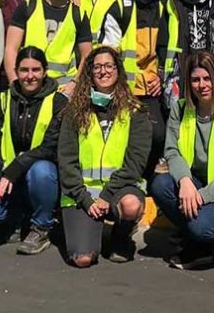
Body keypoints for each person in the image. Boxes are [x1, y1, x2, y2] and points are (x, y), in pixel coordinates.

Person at [151, 50, 214, 269]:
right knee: (160, 185)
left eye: (207, 78)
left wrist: (200, 196)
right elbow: (172, 151)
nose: (202, 85)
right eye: (196, 79)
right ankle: (198, 241)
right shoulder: (180, 110)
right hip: (197, 184)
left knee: (203, 228)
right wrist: (185, 182)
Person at [0, 46, 68, 255]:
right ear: (15, 71)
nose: (30, 76)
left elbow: (51, 146)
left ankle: (41, 226)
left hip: (39, 177)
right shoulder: (3, 99)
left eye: (35, 70)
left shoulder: (58, 102)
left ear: (45, 71)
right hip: (6, 178)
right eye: (24, 70)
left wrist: (14, 169)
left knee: (41, 169)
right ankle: (14, 218)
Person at [58, 46, 151, 267]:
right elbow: (66, 161)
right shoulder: (74, 111)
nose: (103, 71)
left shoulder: (135, 111)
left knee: (130, 205)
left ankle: (121, 236)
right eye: (97, 67)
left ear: (118, 71)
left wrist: (106, 196)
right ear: (90, 73)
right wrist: (86, 199)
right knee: (82, 259)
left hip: (118, 190)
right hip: (82, 193)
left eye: (109, 66)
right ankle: (88, 232)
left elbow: (134, 165)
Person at [102, 0, 171, 178]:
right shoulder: (120, 7)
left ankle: (149, 182)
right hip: (125, 90)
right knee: (124, 140)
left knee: (159, 135)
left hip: (154, 90)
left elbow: (174, 51)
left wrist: (161, 78)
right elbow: (108, 51)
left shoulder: (168, 8)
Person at [3, 0, 92, 93]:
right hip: (29, 86)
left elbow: (87, 56)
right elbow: (11, 49)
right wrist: (15, 84)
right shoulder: (27, 7)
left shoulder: (78, 14)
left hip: (63, 90)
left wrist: (74, 84)